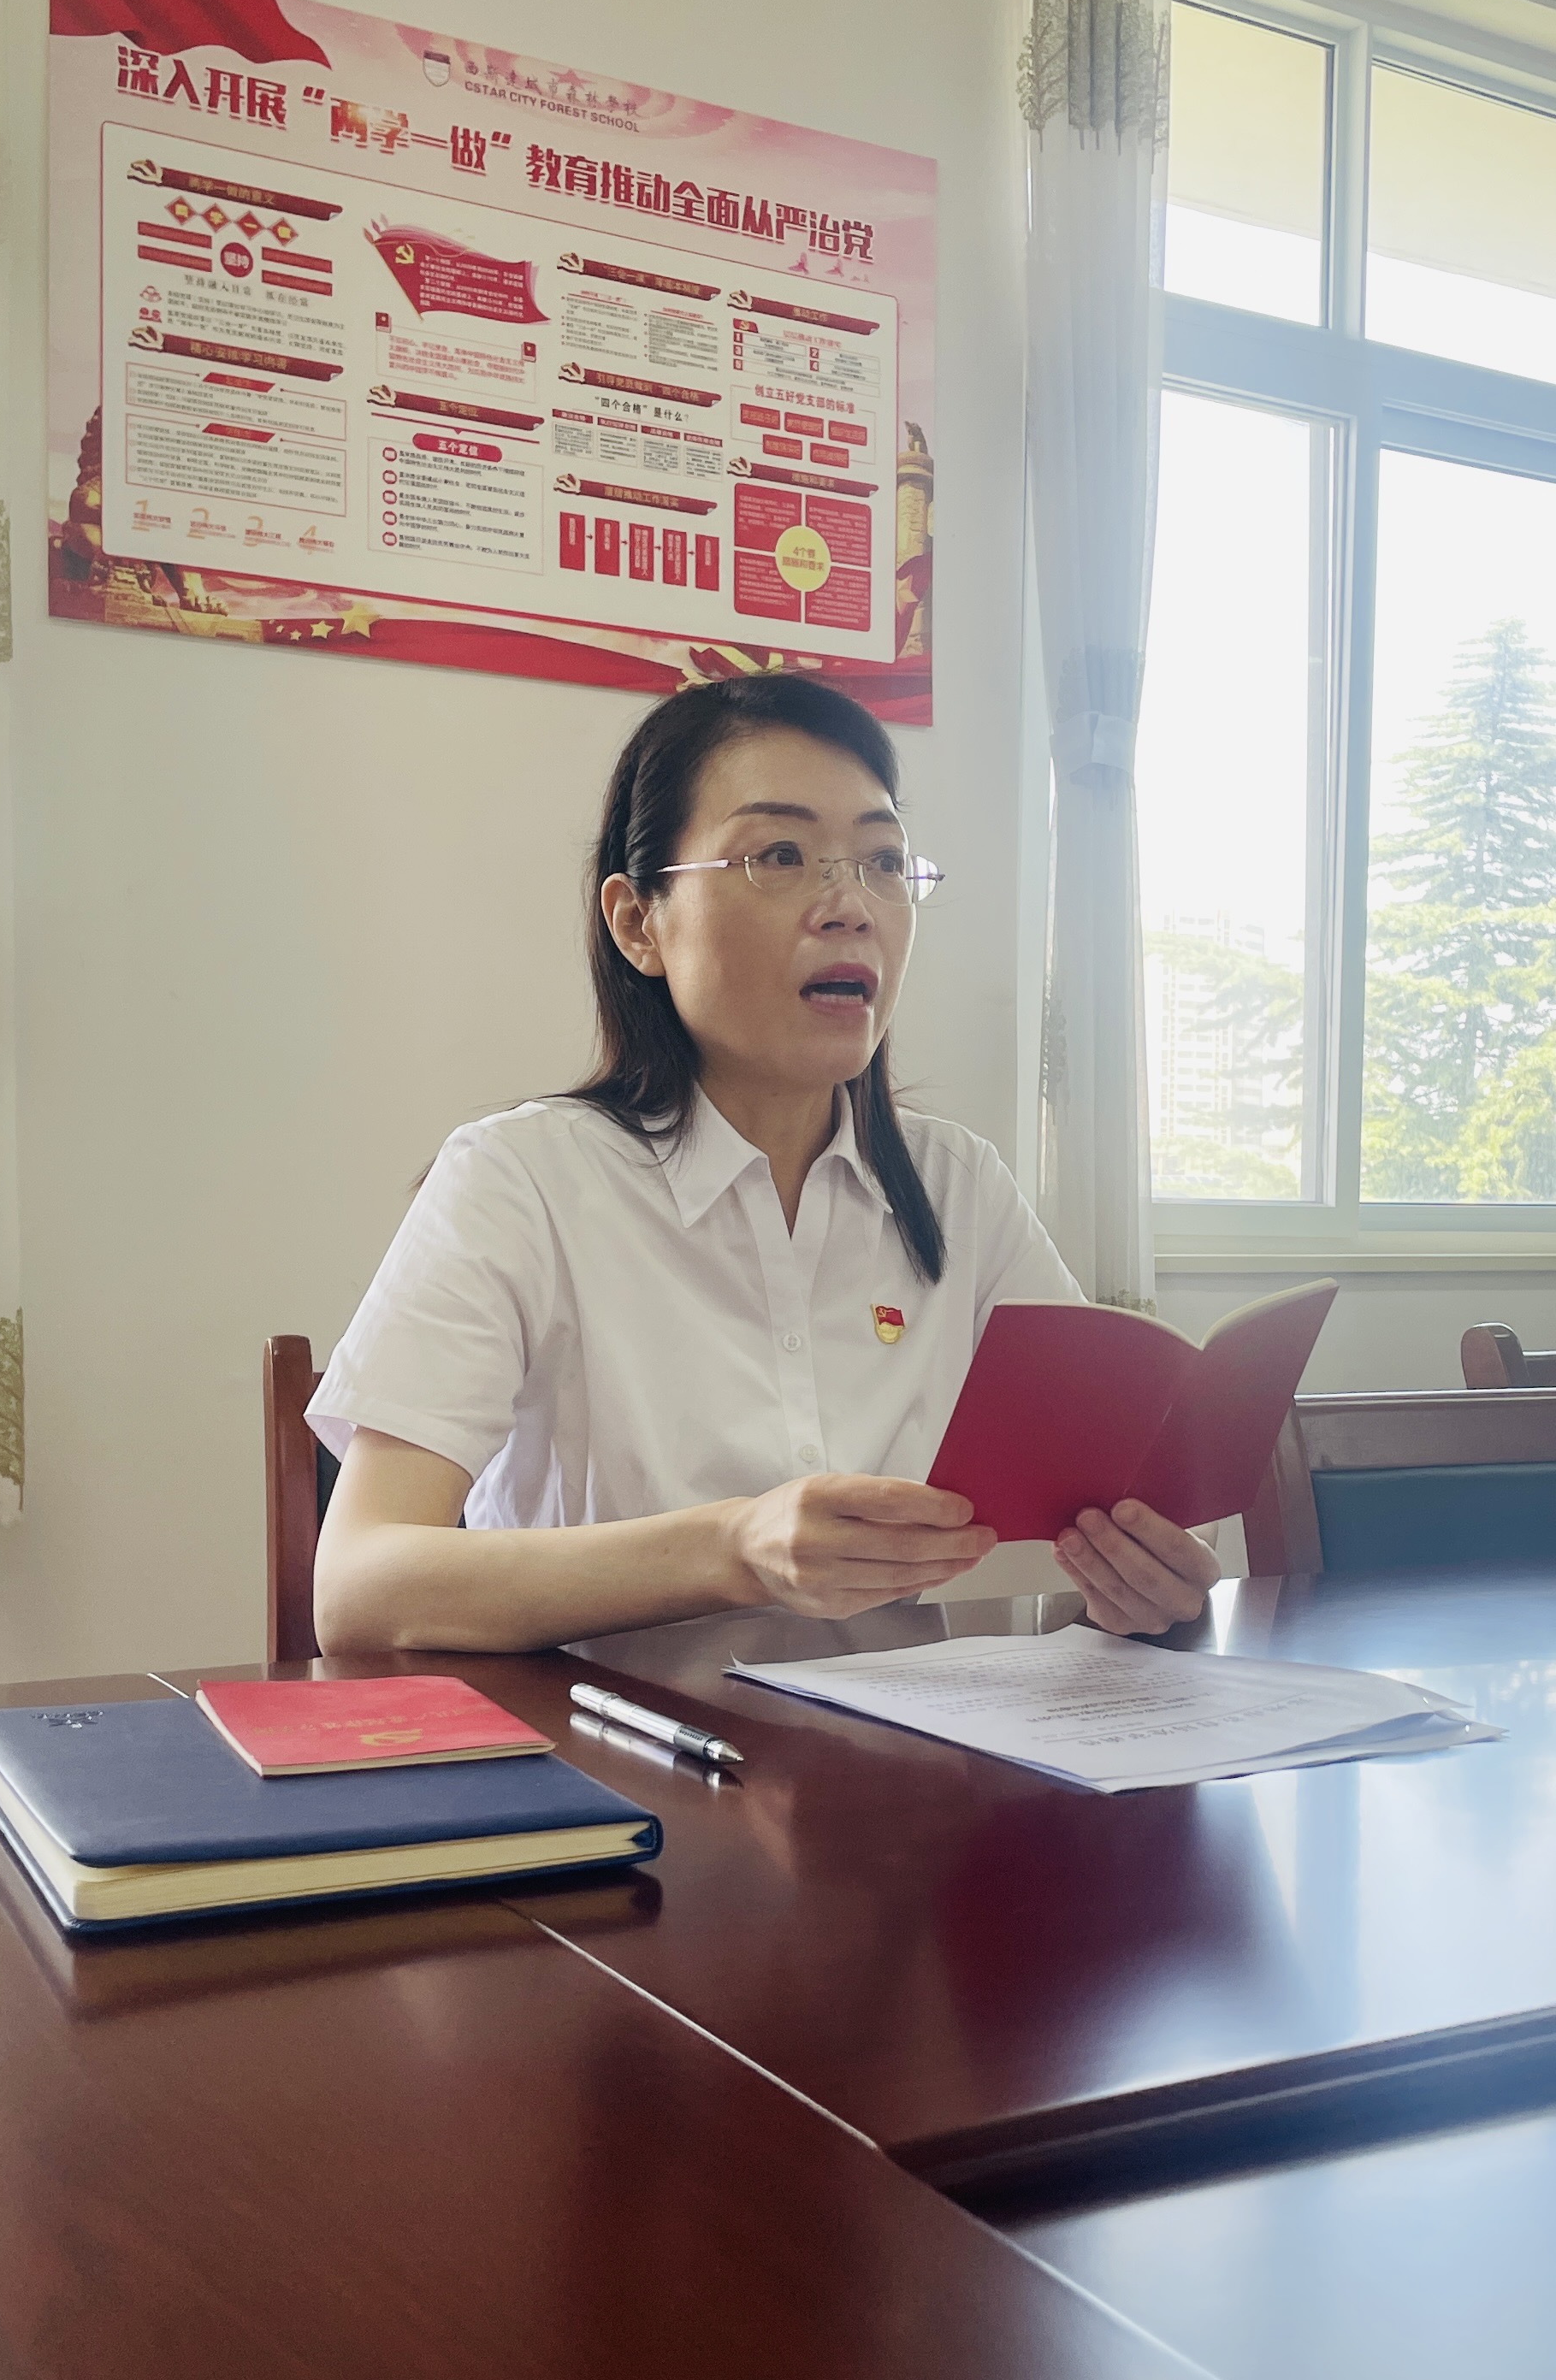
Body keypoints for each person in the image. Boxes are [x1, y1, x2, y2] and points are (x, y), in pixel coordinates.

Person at [305, 675, 1220, 1653]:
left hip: (904, 1738)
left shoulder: (960, 1187)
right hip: (600, 1740)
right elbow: (359, 1591)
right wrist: (732, 1549)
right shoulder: (521, 1179)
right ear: (639, 923)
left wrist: (1148, 1572)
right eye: (779, 855)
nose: (849, 905)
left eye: (882, 861)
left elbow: (1119, 1489)